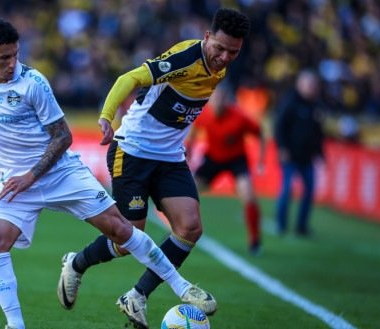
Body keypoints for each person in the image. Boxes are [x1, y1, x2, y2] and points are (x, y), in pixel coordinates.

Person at [0, 18, 212, 329]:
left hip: (61, 174)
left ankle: (181, 286)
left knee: (121, 230)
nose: (12, 63)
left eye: (15, 55)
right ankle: (15, 324)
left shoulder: (33, 84)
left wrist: (31, 176)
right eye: (4, 58)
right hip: (16, 183)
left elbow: (63, 137)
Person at [57, 8, 250, 329]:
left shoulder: (220, 68)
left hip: (170, 157)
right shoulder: (186, 58)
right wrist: (106, 116)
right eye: (220, 48)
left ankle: (137, 296)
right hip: (132, 151)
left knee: (190, 227)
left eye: (234, 52)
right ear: (207, 38)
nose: (225, 57)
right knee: (128, 237)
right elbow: (129, 78)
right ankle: (75, 263)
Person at [185, 85, 265, 255]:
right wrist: (189, 152)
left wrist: (261, 159)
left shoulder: (239, 117)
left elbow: (260, 133)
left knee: (249, 197)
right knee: (187, 191)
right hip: (213, 158)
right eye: (215, 98)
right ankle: (178, 228)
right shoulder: (204, 114)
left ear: (227, 99)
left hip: (237, 160)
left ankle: (255, 240)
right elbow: (193, 132)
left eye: (221, 98)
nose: (218, 102)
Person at [273, 69, 325, 237]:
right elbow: (279, 127)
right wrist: (282, 148)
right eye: (309, 84)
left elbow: (318, 132)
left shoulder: (315, 105)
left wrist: (320, 153)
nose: (311, 88)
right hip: (290, 155)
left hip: (307, 157)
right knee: (287, 189)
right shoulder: (290, 102)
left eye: (313, 85)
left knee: (309, 190)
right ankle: (281, 224)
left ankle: (302, 226)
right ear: (300, 85)